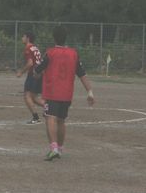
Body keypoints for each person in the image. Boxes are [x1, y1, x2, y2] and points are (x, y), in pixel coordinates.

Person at [35, 26, 95, 161]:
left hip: (52, 92)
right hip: (67, 94)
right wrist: (90, 92)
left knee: (50, 118)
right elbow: (82, 74)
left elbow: (38, 70)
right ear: (65, 38)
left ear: (54, 38)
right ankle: (60, 149)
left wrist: (36, 73)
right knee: (61, 121)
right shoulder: (74, 54)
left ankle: (54, 149)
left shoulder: (50, 53)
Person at [15, 31, 43, 124]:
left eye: (23, 36)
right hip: (39, 73)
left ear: (28, 38)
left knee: (27, 96)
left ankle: (36, 118)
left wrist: (21, 72)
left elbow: (30, 63)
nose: (22, 38)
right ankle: (50, 108)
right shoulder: (35, 47)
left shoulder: (28, 48)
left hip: (33, 74)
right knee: (34, 98)